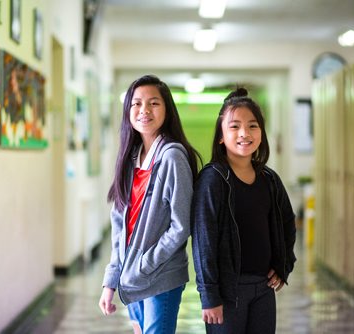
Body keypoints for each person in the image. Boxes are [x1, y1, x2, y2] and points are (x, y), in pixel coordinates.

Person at [98, 74, 201, 334]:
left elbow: (180, 226)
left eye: (154, 103)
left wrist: (145, 265)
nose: (144, 110)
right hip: (131, 276)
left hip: (159, 276)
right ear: (127, 111)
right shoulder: (129, 158)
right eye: (136, 103)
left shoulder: (172, 157)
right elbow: (119, 226)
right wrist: (111, 281)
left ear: (167, 110)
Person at [191, 87, 297, 333]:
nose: (244, 133)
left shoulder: (269, 179)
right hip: (227, 291)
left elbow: (287, 223)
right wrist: (209, 295)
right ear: (220, 136)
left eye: (252, 126)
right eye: (234, 126)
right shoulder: (212, 179)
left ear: (261, 132)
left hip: (263, 288)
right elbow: (203, 241)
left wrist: (283, 265)